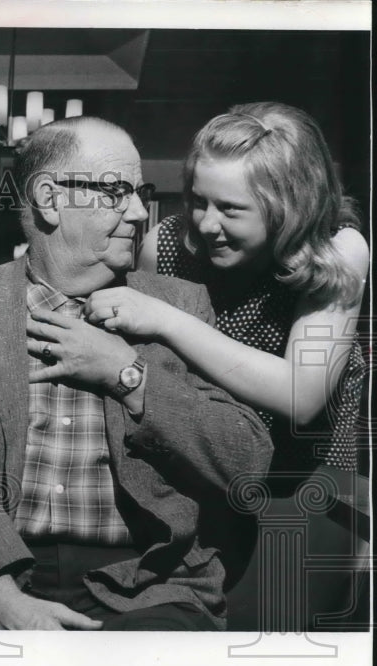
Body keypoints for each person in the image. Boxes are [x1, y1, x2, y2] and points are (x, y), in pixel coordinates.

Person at [0, 116, 274, 630]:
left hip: (148, 583)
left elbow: (246, 460)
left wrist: (127, 372)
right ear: (50, 199)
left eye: (138, 192)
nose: (139, 211)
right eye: (116, 191)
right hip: (3, 566)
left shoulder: (180, 305)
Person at [83, 102, 369, 474]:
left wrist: (164, 319)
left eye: (231, 209)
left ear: (288, 206)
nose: (206, 224)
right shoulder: (165, 244)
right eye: (200, 202)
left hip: (308, 489)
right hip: (201, 477)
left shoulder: (337, 251)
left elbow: (301, 396)